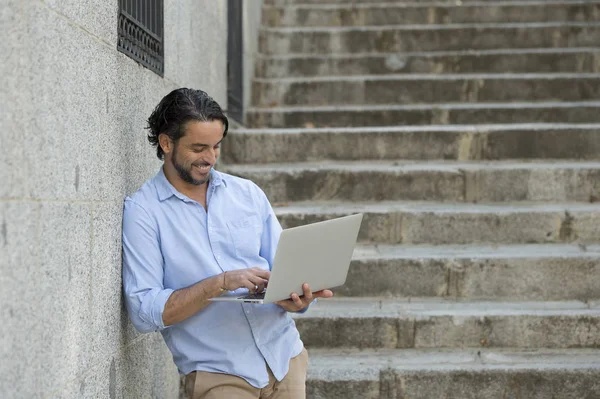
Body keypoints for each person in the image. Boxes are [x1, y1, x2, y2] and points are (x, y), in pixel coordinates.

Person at [121, 88, 333, 399]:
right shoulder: (143, 212)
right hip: (218, 375)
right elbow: (143, 311)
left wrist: (298, 299)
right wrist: (219, 283)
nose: (209, 158)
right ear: (167, 143)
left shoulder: (247, 193)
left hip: (285, 358)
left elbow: (283, 267)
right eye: (198, 148)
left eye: (216, 147)